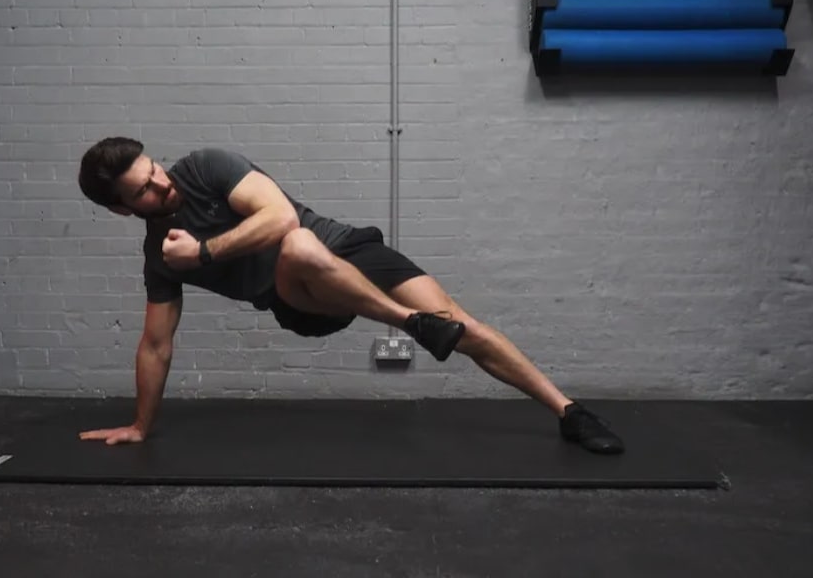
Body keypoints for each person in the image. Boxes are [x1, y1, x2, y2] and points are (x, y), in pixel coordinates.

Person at [76, 137, 625, 454]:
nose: (161, 184)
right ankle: (412, 324)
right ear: (124, 210)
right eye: (144, 189)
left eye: (154, 170)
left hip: (349, 250)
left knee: (457, 323)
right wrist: (140, 426)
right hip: (299, 299)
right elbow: (154, 345)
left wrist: (202, 253)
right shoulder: (158, 258)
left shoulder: (204, 167)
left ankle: (569, 412)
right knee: (297, 249)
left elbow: (279, 213)